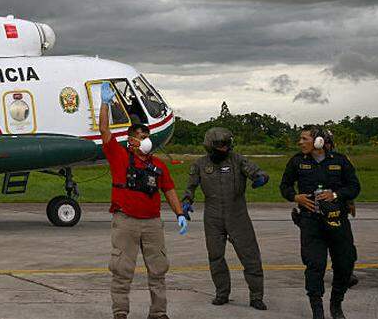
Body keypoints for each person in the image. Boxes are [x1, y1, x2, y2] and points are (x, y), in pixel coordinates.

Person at [99, 83, 188, 319]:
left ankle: (158, 313)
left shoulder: (158, 165)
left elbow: (169, 190)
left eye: (147, 135)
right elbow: (104, 130)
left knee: (158, 270)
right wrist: (105, 104)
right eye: (140, 136)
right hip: (125, 221)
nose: (145, 139)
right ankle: (120, 313)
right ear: (131, 140)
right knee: (121, 270)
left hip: (152, 223)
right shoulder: (118, 156)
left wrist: (180, 214)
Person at [182, 127, 269, 310]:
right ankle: (222, 293)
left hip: (237, 215)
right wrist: (187, 201)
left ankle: (256, 296)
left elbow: (255, 171)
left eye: (227, 144)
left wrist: (260, 177)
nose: (225, 148)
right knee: (215, 257)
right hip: (212, 216)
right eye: (221, 145)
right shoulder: (199, 165)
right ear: (210, 146)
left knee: (250, 256)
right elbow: (190, 186)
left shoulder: (238, 160)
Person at [280, 127, 361, 319]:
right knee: (315, 266)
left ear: (318, 142)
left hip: (337, 221)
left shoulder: (340, 161)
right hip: (310, 222)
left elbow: (354, 187)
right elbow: (285, 186)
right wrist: (295, 197)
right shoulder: (297, 161)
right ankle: (317, 309)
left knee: (344, 263)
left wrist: (336, 195)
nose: (300, 142)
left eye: (304, 139)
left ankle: (336, 305)